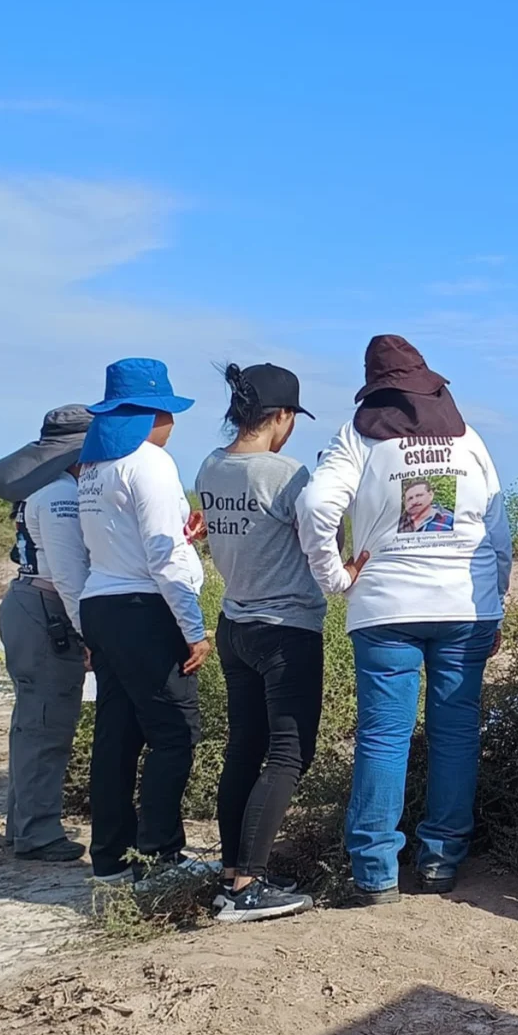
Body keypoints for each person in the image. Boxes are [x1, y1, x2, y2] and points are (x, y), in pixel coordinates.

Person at [299, 335, 511, 903]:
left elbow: (315, 505)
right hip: (465, 605)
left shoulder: (357, 437)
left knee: (383, 736)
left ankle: (375, 873)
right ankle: (441, 861)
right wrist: (497, 600)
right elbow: (498, 531)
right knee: (456, 734)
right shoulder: (468, 439)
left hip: (385, 607)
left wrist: (334, 577)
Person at [74, 359, 214, 890]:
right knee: (174, 733)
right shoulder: (150, 462)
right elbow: (162, 554)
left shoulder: (93, 466)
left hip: (102, 605)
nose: (172, 423)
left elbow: (119, 540)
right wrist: (194, 629)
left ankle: (111, 858)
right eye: (169, 412)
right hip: (145, 609)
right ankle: (160, 858)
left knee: (117, 734)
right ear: (153, 414)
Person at [193, 363, 324, 923]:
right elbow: (319, 542)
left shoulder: (211, 465)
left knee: (245, 748)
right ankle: (248, 884)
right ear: (283, 416)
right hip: (286, 628)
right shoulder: (287, 474)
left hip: (236, 624)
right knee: (290, 753)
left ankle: (231, 874)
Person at [0, 404, 94, 864]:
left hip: (28, 604)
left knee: (31, 723)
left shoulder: (39, 490)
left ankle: (23, 825)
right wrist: (91, 634)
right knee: (47, 725)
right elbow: (68, 575)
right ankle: (38, 833)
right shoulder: (62, 494)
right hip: (48, 611)